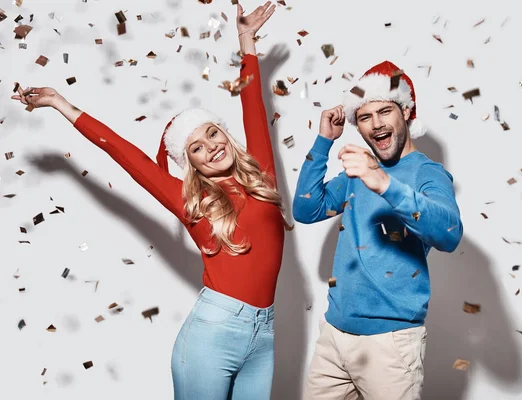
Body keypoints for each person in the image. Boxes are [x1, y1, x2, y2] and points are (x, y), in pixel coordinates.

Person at [12, 2, 288, 399]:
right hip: (213, 334)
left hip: (265, 334)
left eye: (213, 133)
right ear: (189, 163)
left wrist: (245, 41)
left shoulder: (262, 177)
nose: (210, 147)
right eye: (196, 147)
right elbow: (127, 156)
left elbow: (253, 107)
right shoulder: (190, 202)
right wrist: (61, 104)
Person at [293, 60, 464, 399]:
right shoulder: (360, 172)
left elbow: (449, 233)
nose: (375, 125)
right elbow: (306, 208)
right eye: (365, 117)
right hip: (334, 338)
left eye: (384, 112)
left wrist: (384, 183)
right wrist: (324, 141)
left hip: (391, 345)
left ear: (406, 112)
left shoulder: (427, 173)